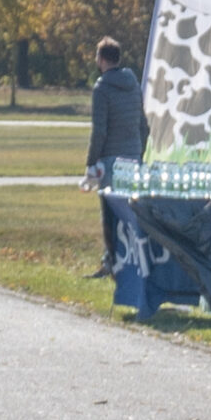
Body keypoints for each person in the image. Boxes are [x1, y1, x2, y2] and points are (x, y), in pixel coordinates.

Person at [86, 36, 147, 277]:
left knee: (110, 214)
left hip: (111, 159)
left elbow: (99, 130)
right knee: (130, 214)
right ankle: (132, 259)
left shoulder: (102, 88)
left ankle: (111, 262)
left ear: (101, 59)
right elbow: (143, 125)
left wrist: (91, 161)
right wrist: (139, 152)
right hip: (133, 157)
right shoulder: (134, 85)